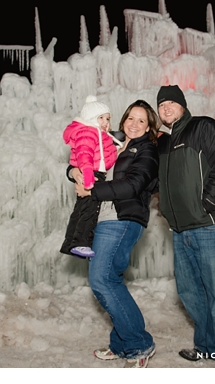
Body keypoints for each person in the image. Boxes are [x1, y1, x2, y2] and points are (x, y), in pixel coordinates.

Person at [155, 85, 215, 368]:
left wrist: (208, 202)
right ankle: (205, 346)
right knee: (190, 292)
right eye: (161, 105)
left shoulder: (203, 127)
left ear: (182, 104)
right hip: (181, 231)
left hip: (211, 225)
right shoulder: (165, 143)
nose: (165, 109)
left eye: (170, 103)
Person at [69, 99, 161, 368]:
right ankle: (122, 343)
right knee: (111, 279)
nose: (134, 124)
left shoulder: (147, 151)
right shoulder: (111, 142)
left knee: (101, 279)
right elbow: (83, 159)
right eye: (130, 118)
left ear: (148, 127)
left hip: (122, 219)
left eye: (141, 120)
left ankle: (139, 344)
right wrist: (72, 171)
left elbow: (132, 185)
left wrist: (92, 191)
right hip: (103, 218)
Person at [60, 95, 120, 258]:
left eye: (108, 118)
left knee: (81, 209)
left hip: (94, 173)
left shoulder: (101, 135)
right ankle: (80, 243)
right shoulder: (89, 133)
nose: (106, 122)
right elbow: (84, 155)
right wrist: (85, 176)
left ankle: (71, 243)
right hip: (92, 175)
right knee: (89, 210)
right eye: (101, 118)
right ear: (91, 118)